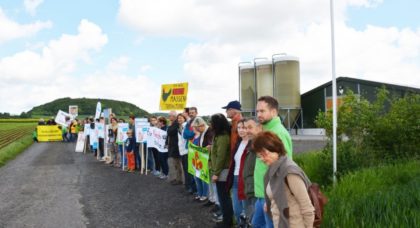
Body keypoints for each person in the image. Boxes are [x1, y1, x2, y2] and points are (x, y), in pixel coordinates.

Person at [252, 131, 315, 228]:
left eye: (264, 154)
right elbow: (279, 195)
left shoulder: (289, 172)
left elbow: (307, 207)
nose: (262, 159)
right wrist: (271, 204)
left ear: (275, 149)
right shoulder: (273, 170)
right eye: (259, 156)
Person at [252, 96, 294, 228]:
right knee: (256, 224)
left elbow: (284, 168)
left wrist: (273, 198)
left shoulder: (278, 133)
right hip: (262, 192)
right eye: (257, 111)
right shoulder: (265, 131)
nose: (258, 114)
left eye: (262, 111)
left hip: (270, 195)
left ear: (274, 112)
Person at [210, 113, 234, 228]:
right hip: (220, 170)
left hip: (222, 171)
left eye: (212, 122)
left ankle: (227, 221)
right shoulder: (219, 135)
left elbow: (221, 156)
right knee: (222, 196)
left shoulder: (223, 137)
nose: (210, 124)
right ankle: (226, 219)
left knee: (224, 197)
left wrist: (216, 173)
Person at [226, 119, 249, 226]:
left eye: (244, 127)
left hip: (245, 180)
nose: (241, 130)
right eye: (239, 128)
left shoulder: (252, 144)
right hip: (235, 179)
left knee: (246, 210)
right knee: (237, 209)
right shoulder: (239, 143)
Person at [242, 118, 262, 226]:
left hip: (257, 190)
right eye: (245, 128)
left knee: (257, 222)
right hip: (251, 188)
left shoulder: (261, 144)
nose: (247, 130)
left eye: (250, 127)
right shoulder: (252, 143)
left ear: (259, 128)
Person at [191, 117, 213, 202]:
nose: (196, 130)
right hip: (202, 158)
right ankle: (206, 196)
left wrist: (209, 147)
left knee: (206, 179)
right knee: (200, 177)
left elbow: (210, 144)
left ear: (202, 125)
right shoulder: (202, 132)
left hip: (208, 159)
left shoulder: (209, 131)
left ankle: (207, 196)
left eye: (197, 128)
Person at [182, 107, 198, 194]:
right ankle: (193, 188)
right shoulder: (189, 122)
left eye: (193, 112)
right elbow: (185, 135)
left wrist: (190, 133)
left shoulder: (198, 121)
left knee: (195, 170)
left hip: (196, 148)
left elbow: (191, 134)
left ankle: (196, 189)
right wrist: (190, 133)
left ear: (196, 113)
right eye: (190, 112)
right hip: (189, 148)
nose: (191, 114)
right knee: (190, 170)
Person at [166, 111, 183, 185]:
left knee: (177, 164)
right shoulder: (173, 124)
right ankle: (177, 178)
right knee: (176, 164)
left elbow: (169, 132)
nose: (169, 117)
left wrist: (169, 126)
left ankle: (179, 179)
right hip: (174, 146)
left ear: (174, 116)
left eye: (170, 116)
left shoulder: (176, 124)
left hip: (176, 147)